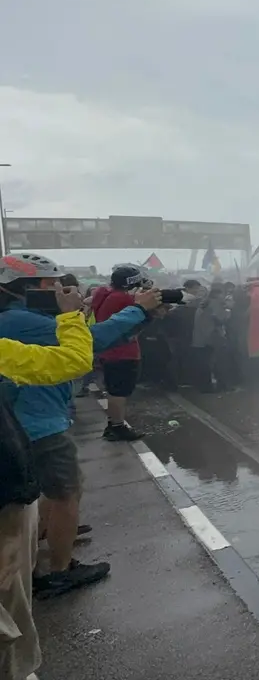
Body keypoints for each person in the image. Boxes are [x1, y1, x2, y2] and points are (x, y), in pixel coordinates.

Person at [0, 252, 161, 599]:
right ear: (26, 288)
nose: (62, 289)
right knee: (67, 492)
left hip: (34, 418)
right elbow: (92, 344)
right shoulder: (19, 320)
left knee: (42, 493)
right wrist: (138, 309)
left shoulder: (27, 316)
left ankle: (45, 537)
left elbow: (85, 336)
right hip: (38, 425)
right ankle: (59, 570)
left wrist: (143, 317)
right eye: (53, 284)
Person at [0, 282, 94, 680]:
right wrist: (72, 315)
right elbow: (72, 360)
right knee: (10, 599)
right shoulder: (18, 331)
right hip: (8, 481)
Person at [91, 264, 151, 440]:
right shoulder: (123, 300)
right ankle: (117, 427)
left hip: (109, 351)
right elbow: (144, 314)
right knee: (119, 392)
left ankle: (114, 424)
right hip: (122, 352)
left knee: (114, 390)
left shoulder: (105, 295)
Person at [190, 285, 230, 393]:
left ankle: (204, 387)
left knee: (204, 364)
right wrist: (227, 310)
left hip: (200, 338)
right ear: (219, 294)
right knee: (218, 362)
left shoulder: (204, 303)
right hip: (212, 338)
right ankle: (222, 386)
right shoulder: (215, 303)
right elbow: (221, 319)